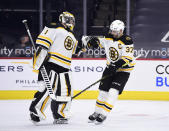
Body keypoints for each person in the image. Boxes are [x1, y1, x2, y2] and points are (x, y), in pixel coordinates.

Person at [29, 11, 86, 124]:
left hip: (65, 67)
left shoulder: (72, 36)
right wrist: (38, 61)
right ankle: (35, 110)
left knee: (65, 91)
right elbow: (43, 45)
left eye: (72, 20)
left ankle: (60, 113)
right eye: (68, 20)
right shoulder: (54, 27)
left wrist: (85, 43)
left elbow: (75, 49)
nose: (70, 22)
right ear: (62, 20)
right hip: (52, 64)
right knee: (48, 89)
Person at [85, 20, 135, 124]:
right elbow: (97, 41)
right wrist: (93, 41)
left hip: (123, 71)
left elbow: (127, 58)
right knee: (102, 92)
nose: (112, 33)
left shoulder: (127, 40)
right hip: (109, 68)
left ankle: (104, 114)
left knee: (113, 92)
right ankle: (96, 112)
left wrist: (116, 65)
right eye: (111, 30)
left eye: (115, 31)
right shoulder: (108, 37)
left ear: (121, 31)